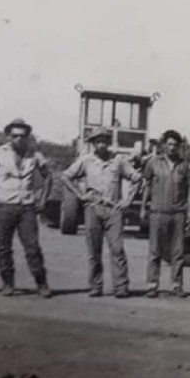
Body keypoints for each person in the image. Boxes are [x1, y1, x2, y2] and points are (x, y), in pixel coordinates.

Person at [0, 118, 52, 298]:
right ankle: (8, 284)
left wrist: (43, 199)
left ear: (28, 137)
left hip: (26, 207)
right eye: (14, 135)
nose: (18, 139)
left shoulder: (35, 155)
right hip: (4, 206)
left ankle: (42, 284)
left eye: (22, 136)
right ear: (9, 136)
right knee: (4, 247)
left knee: (32, 247)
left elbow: (48, 177)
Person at [63, 127, 144, 298]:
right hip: (93, 207)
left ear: (109, 143)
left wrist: (127, 201)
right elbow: (66, 176)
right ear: (93, 144)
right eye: (97, 141)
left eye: (104, 141)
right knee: (94, 251)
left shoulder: (118, 160)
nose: (101, 145)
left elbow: (137, 178)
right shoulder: (86, 161)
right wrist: (80, 195)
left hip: (113, 209)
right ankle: (95, 285)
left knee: (117, 249)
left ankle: (121, 286)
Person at [139, 130, 190, 298]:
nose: (172, 148)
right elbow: (147, 185)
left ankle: (176, 285)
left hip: (177, 213)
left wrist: (189, 210)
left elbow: (188, 189)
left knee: (177, 251)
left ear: (179, 147)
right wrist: (143, 207)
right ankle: (152, 285)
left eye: (175, 145)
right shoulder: (153, 163)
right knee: (154, 251)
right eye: (169, 144)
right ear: (163, 146)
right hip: (158, 212)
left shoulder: (184, 165)